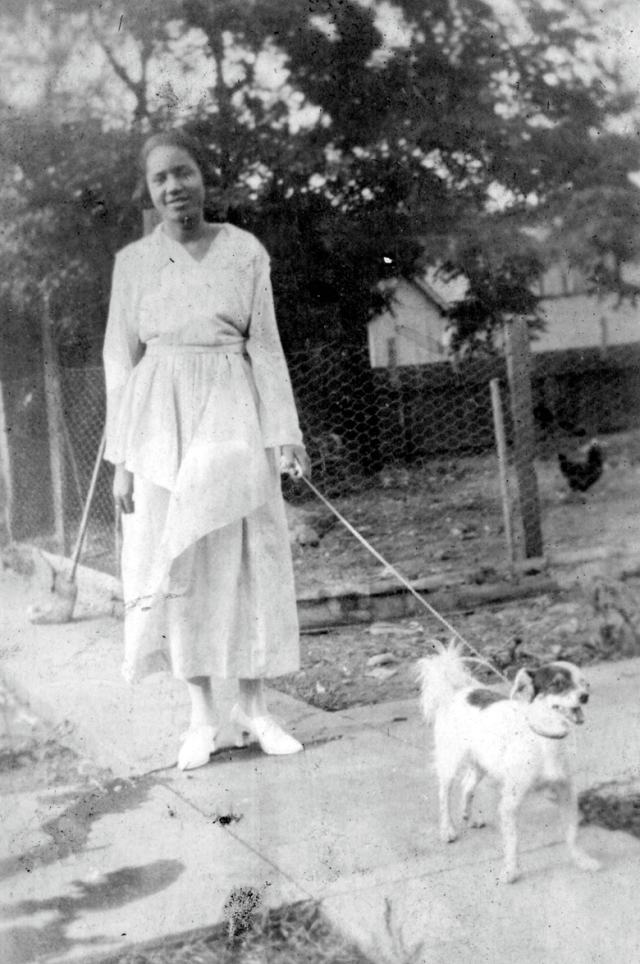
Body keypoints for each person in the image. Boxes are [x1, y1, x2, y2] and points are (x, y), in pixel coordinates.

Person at [103, 128, 311, 770]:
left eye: (184, 172)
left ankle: (254, 706)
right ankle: (202, 718)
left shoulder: (244, 251)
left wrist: (285, 435)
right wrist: (122, 460)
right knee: (178, 563)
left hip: (234, 414)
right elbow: (119, 358)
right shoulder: (133, 263)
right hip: (159, 423)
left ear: (204, 177)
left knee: (249, 554)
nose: (174, 187)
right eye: (161, 178)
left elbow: (267, 347)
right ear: (150, 190)